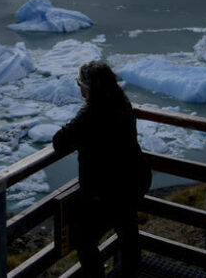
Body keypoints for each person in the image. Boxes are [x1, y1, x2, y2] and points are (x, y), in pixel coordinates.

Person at [53, 60, 150, 278]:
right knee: (127, 226)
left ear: (90, 87)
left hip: (105, 190)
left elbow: (60, 141)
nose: (79, 89)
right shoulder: (122, 103)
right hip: (132, 180)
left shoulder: (92, 113)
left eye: (81, 85)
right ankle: (131, 270)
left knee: (84, 238)